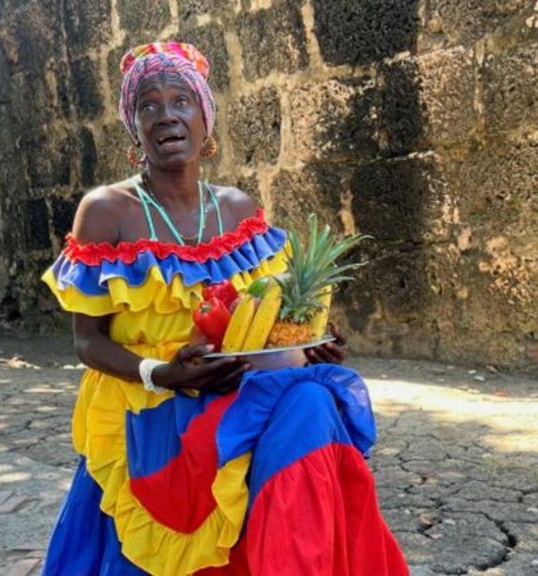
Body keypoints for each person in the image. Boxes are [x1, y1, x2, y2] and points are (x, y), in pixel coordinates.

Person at [40, 42, 407, 576]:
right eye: (147, 105)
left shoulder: (238, 209)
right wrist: (162, 372)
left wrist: (308, 343)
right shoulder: (106, 212)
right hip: (151, 405)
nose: (166, 115)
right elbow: (86, 342)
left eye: (181, 100)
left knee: (312, 399)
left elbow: (270, 316)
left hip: (238, 392)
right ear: (133, 127)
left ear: (205, 117)